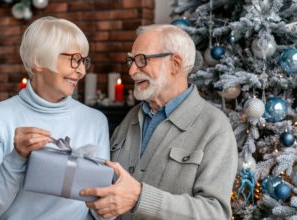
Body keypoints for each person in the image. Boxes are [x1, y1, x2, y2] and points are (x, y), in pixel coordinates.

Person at [81, 24, 238, 220]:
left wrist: (140, 198)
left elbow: (215, 214)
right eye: (131, 60)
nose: (131, 71)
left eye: (141, 60)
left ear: (175, 63)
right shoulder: (131, 117)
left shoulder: (215, 128)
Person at [0, 16, 110, 220]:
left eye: (84, 61)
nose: (81, 71)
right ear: (39, 60)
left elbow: (101, 209)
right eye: (74, 59)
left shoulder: (95, 120)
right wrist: (16, 159)